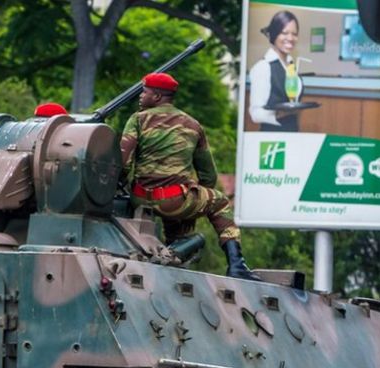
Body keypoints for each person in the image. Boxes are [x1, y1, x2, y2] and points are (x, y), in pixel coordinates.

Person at [120, 72, 261, 282]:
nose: (141, 96)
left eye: (144, 92)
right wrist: (192, 204)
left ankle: (171, 255)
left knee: (176, 220)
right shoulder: (193, 125)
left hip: (139, 200)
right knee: (220, 202)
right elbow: (208, 176)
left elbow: (124, 164)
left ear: (157, 96)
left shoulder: (137, 120)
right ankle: (237, 265)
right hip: (175, 201)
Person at [248, 10, 301, 132]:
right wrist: (281, 113)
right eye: (284, 33)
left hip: (293, 133)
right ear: (274, 34)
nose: (290, 38)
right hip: (272, 137)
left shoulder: (291, 64)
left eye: (294, 34)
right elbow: (256, 114)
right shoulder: (263, 67)